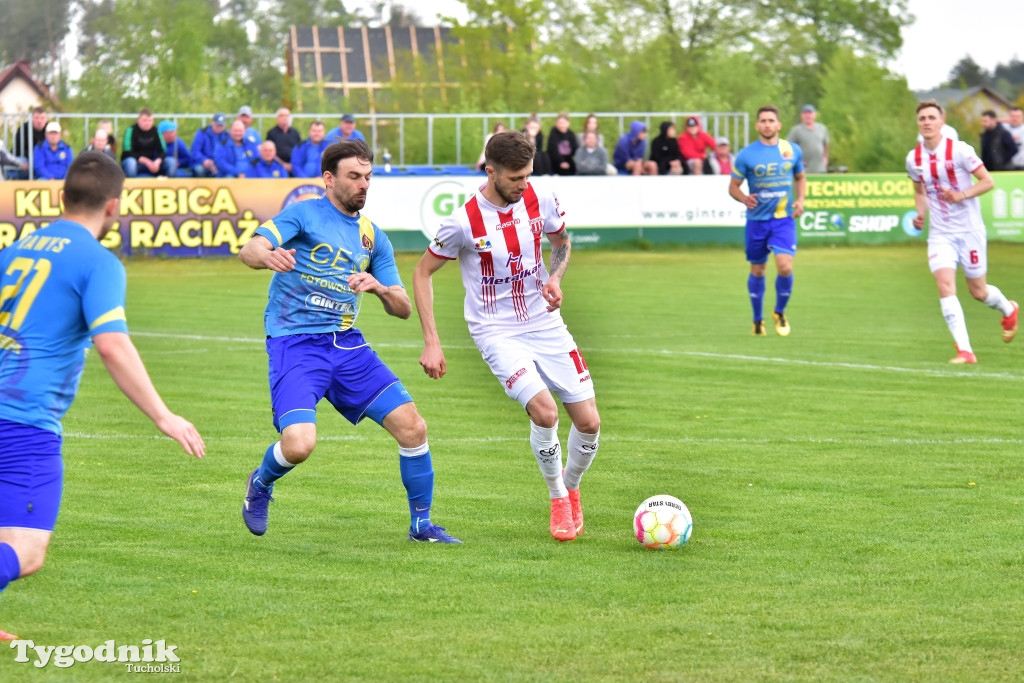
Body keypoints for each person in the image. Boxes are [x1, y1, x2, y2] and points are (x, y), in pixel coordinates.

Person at [0, 152, 205, 641]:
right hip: (22, 423)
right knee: (25, 551)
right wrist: (163, 415)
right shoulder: (98, 262)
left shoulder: (13, 251)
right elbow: (112, 344)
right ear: (115, 207)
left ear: (58, 196)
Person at [237, 140, 460, 544]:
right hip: (295, 344)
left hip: (346, 345)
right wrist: (266, 256)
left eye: (368, 177)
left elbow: (403, 307)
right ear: (329, 179)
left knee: (413, 427)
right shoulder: (303, 214)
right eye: (354, 177)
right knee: (300, 444)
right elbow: (250, 248)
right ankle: (261, 482)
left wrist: (378, 287)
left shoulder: (373, 236)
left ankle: (422, 526)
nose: (363, 185)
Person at [413, 131, 601, 543]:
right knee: (546, 413)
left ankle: (571, 486)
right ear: (491, 171)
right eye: (516, 178)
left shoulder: (541, 197)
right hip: (495, 329)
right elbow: (422, 272)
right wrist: (432, 340)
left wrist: (555, 276)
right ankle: (557, 499)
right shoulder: (462, 221)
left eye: (528, 176)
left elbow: (562, 242)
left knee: (589, 422)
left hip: (545, 322)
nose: (523, 185)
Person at [907, 100, 1018, 364]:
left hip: (969, 231)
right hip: (940, 234)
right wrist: (920, 214)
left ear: (941, 121)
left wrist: (961, 195)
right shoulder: (914, 158)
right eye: (922, 118)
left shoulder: (960, 150)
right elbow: (919, 191)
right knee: (945, 285)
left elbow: (988, 181)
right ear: (918, 123)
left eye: (931, 117)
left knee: (978, 292)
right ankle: (965, 351)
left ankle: (1008, 308)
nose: (927, 122)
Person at [728, 105, 806, 337]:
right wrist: (743, 198)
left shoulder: (791, 150)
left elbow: (800, 177)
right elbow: (733, 186)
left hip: (783, 220)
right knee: (758, 270)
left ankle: (779, 312)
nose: (767, 124)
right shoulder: (746, 155)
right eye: (763, 121)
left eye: (771, 120)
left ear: (779, 125)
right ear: (757, 125)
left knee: (785, 266)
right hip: (757, 222)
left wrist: (800, 199)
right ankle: (757, 319)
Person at [121, 108, 164, 177]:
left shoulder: (156, 131)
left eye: (150, 120)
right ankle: (132, 186)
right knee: (131, 162)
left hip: (152, 163)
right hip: (136, 163)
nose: (147, 123)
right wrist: (145, 161)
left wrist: (157, 162)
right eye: (144, 120)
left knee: (170, 162)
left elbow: (163, 151)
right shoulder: (130, 130)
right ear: (138, 120)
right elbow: (127, 152)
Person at [786, 105, 829, 173]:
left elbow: (826, 143)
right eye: (805, 113)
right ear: (801, 115)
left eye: (810, 113)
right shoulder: (796, 130)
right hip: (804, 169)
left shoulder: (822, 128)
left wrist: (825, 157)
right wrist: (797, 160)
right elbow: (788, 146)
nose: (808, 116)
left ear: (815, 115)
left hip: (820, 168)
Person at [190, 112, 228, 178]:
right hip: (201, 163)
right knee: (200, 170)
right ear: (212, 122)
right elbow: (195, 151)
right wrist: (204, 160)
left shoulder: (227, 136)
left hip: (218, 164)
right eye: (217, 125)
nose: (219, 128)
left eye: (221, 126)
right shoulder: (201, 133)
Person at [266, 108, 302, 175]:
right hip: (276, 167)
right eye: (282, 116)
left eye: (286, 116)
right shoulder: (271, 133)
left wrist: (293, 165)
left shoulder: (296, 133)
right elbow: (269, 152)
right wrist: (283, 164)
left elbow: (299, 151)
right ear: (277, 118)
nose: (284, 118)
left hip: (294, 167)